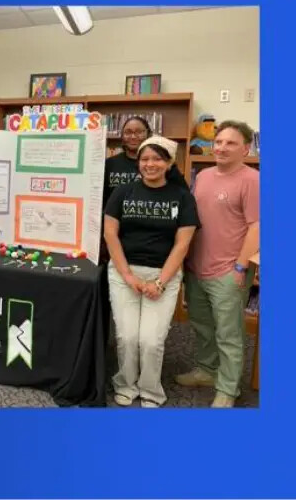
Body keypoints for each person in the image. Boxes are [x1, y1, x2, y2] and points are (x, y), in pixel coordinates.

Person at [103, 136, 199, 407]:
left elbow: (183, 244)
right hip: (124, 273)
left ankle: (150, 389)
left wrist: (160, 281)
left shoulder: (182, 197)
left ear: (169, 163)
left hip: (163, 275)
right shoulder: (123, 192)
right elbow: (110, 234)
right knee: (127, 336)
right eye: (145, 159)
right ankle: (125, 383)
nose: (150, 164)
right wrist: (128, 276)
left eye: (157, 158)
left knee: (151, 340)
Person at [175, 120, 259, 408]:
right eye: (218, 141)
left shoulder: (252, 180)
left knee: (230, 334)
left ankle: (227, 389)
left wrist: (240, 267)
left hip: (228, 271)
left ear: (245, 148)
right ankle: (207, 371)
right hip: (196, 267)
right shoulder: (204, 175)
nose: (221, 147)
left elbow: (257, 227)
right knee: (201, 325)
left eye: (230, 143)